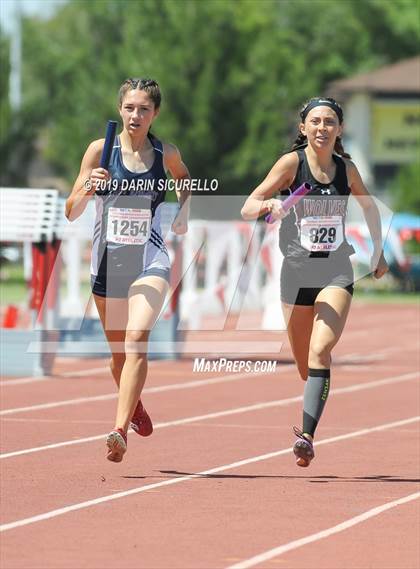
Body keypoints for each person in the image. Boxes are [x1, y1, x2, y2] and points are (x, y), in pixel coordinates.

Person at [241, 97, 388, 467]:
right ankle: (315, 393)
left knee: (321, 349)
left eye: (330, 122)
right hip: (296, 274)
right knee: (307, 366)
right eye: (315, 121)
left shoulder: (347, 169)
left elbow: (369, 206)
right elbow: (247, 205)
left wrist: (378, 252)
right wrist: (269, 205)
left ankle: (306, 436)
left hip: (336, 269)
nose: (322, 128)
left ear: (339, 130)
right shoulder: (291, 165)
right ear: (303, 128)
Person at [65, 78, 190, 462]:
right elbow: (71, 210)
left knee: (137, 338)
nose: (136, 115)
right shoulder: (100, 151)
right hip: (107, 262)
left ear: (155, 114)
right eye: (130, 108)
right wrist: (88, 185)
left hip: (150, 259)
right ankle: (133, 404)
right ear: (120, 109)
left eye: (144, 109)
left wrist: (184, 211)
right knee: (119, 353)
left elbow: (184, 180)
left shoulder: (165, 153)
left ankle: (118, 430)